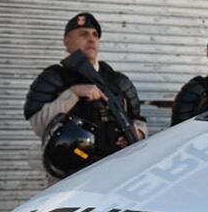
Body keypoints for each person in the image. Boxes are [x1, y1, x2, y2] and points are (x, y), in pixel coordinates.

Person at [24, 12, 148, 181]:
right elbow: (39, 123)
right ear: (67, 41)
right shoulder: (55, 77)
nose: (91, 39)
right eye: (83, 34)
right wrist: (73, 93)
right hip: (70, 174)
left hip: (118, 171)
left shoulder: (118, 81)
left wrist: (137, 133)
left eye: (95, 35)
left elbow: (138, 119)